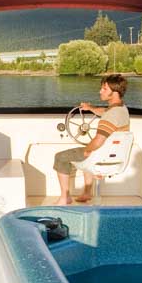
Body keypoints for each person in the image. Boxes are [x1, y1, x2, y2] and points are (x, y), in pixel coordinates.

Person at [52, 74, 130, 205]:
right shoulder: (121, 108)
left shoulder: (110, 115)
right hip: (114, 155)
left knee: (61, 156)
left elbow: (98, 141)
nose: (100, 91)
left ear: (115, 93)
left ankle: (65, 197)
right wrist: (91, 108)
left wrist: (88, 151)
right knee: (87, 148)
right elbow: (104, 111)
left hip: (100, 156)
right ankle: (87, 192)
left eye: (104, 89)